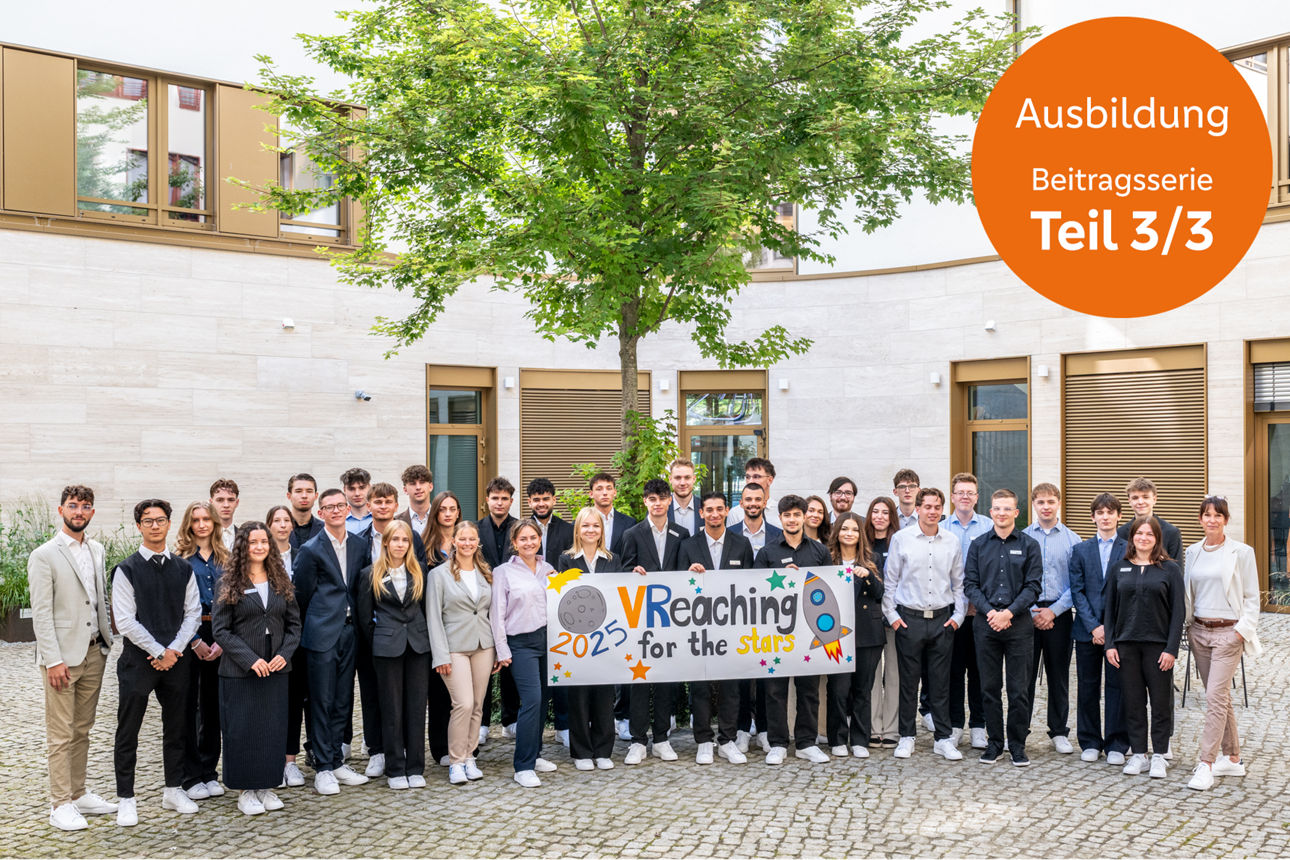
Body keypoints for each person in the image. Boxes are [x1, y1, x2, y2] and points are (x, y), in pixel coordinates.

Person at [28, 485, 117, 831]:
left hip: (95, 652)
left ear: (92, 512)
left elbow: (98, 597)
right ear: (61, 509)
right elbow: (41, 612)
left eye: (86, 506)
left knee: (83, 729)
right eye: (73, 505)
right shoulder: (44, 555)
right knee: (60, 733)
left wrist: (108, 640)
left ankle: (78, 793)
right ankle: (60, 804)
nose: (79, 511)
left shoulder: (96, 549)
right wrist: (52, 659)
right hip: (62, 658)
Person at [111, 499, 202, 825]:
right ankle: (126, 797)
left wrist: (174, 650)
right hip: (138, 661)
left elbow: (192, 615)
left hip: (177, 660)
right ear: (139, 525)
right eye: (147, 520)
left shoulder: (183, 568)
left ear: (168, 524)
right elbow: (125, 620)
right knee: (128, 730)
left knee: (177, 726)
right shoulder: (127, 569)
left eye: (160, 520)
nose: (154, 525)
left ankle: (173, 788)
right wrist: (158, 650)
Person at [212, 522, 300, 816]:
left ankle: (267, 785)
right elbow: (221, 631)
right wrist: (250, 659)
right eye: (253, 542)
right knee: (243, 730)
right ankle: (246, 790)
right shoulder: (228, 582)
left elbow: (294, 625)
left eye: (264, 541)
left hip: (276, 669)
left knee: (272, 729)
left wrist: (284, 655)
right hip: (240, 671)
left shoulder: (280, 580)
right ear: (242, 546)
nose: (260, 547)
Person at [293, 488, 371, 796]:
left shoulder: (360, 544)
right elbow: (301, 597)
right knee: (321, 700)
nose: (337, 510)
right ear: (321, 512)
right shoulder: (311, 550)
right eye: (330, 507)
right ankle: (323, 766)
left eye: (341, 505)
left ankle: (337, 761)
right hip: (321, 634)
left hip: (350, 632)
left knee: (342, 700)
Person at [1183, 496, 1262, 791]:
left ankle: (1206, 764)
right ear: (1200, 519)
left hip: (1229, 634)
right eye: (1206, 515)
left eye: (1218, 515)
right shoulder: (1193, 552)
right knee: (1220, 698)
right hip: (1199, 632)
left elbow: (1252, 598)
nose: (1212, 520)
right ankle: (1233, 758)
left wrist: (1241, 632)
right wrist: (1189, 627)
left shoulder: (1241, 552)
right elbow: (1189, 593)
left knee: (1214, 698)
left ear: (1226, 519)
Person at [352, 482, 431, 779]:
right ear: (385, 543)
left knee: (414, 708)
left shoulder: (420, 572)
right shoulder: (369, 575)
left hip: (418, 647)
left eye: (405, 540)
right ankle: (396, 768)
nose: (400, 544)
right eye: (394, 539)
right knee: (391, 708)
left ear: (410, 544)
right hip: (386, 647)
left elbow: (425, 610)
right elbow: (363, 618)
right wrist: (381, 639)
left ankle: (415, 767)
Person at [881, 488, 966, 761]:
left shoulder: (951, 541)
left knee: (941, 683)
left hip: (943, 620)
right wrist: (893, 617)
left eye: (937, 506)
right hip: (909, 621)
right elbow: (890, 580)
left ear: (942, 509)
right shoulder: (901, 539)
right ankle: (907, 737)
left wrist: (958, 618)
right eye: (927, 506)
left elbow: (959, 583)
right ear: (917, 508)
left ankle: (943, 737)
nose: (932, 511)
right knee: (908, 682)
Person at [963, 489, 1042, 767]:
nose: (1002, 513)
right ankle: (994, 743)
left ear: (1017, 513)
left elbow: (1033, 586)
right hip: (985, 626)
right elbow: (970, 585)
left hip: (1018, 625)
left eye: (1007, 509)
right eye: (997, 509)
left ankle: (1017, 745)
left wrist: (1008, 612)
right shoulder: (979, 545)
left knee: (1019, 689)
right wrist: (991, 613)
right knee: (989, 687)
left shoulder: (1030, 545)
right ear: (991, 511)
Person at [1105, 516, 1185, 780]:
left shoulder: (1169, 570)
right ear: (1132, 537)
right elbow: (1110, 611)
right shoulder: (1119, 568)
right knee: (1134, 702)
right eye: (1139, 533)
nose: (1144, 538)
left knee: (1161, 703)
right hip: (1126, 647)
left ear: (1157, 539)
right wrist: (1110, 644)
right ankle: (1139, 754)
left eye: (1150, 534)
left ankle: (1160, 755)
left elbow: (1178, 613)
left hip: (1158, 647)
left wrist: (1171, 649)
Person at [754, 495, 832, 765]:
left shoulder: (820, 552)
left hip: (809, 630)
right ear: (781, 518)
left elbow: (829, 589)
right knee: (775, 689)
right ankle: (777, 743)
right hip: (776, 633)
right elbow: (755, 592)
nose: (792, 519)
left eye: (797, 515)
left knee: (808, 689)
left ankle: (806, 742)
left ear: (803, 517)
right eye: (787, 515)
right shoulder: (767, 553)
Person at [679, 492, 755, 765]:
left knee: (730, 686)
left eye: (719, 509)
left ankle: (726, 739)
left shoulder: (741, 544)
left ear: (726, 512)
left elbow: (751, 585)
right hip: (698, 628)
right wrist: (689, 575)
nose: (713, 514)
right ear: (701, 513)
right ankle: (702, 740)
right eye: (708, 509)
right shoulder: (688, 546)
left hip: (731, 628)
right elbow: (677, 587)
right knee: (699, 685)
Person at [619, 479, 689, 765]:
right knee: (638, 680)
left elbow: (685, 571)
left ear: (669, 501)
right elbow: (622, 574)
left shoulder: (682, 534)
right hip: (640, 619)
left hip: (671, 618)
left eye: (662, 497)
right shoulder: (632, 534)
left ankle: (661, 738)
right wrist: (631, 573)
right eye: (652, 498)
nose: (657, 503)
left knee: (665, 680)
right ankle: (637, 740)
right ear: (645, 502)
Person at [492, 521, 561, 787]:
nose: (529, 542)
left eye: (533, 537)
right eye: (523, 539)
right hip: (520, 644)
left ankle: (536, 754)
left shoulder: (549, 570)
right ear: (515, 542)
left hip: (548, 641)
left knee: (544, 700)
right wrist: (502, 649)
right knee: (531, 699)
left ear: (540, 539)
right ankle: (522, 766)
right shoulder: (504, 572)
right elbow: (496, 613)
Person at [427, 521, 496, 784]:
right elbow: (433, 617)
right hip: (454, 647)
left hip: (483, 645)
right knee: (463, 703)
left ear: (478, 542)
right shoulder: (439, 574)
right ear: (454, 541)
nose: (467, 543)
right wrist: (440, 655)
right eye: (462, 539)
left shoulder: (485, 571)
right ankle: (455, 761)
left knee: (478, 705)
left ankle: (469, 757)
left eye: (472, 539)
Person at [1067, 493, 1130, 765]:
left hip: (1118, 632)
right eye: (1100, 513)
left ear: (1118, 516)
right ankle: (1090, 740)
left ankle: (1117, 742)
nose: (1105, 517)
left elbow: (1129, 594)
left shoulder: (1129, 549)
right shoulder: (1080, 550)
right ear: (1093, 517)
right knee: (1088, 686)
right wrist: (1094, 626)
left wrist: (1110, 629)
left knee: (1118, 686)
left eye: (1110, 512)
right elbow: (1077, 591)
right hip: (1086, 631)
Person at [559, 507, 622, 769]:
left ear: (602, 530)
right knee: (579, 697)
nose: (591, 530)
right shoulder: (566, 560)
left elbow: (620, 594)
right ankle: (582, 752)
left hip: (606, 637)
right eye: (585, 526)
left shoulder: (613, 559)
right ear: (577, 530)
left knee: (605, 697)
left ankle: (603, 750)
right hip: (577, 639)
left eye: (595, 526)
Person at [173, 501, 228, 801]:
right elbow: (176, 607)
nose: (202, 524)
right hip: (190, 635)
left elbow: (234, 601)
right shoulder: (180, 559)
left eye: (207, 518)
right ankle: (190, 774)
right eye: (196, 520)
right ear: (189, 524)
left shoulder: (226, 558)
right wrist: (194, 640)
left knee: (213, 706)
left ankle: (210, 770)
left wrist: (223, 639)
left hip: (219, 634)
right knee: (191, 706)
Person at [1022, 482, 1081, 755]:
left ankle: (1059, 731)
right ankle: (1020, 730)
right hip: (1027, 615)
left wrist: (1053, 611)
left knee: (1058, 676)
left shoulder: (1073, 540)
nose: (1046, 507)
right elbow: (1017, 580)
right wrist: (1033, 608)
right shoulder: (1022, 537)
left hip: (1059, 615)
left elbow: (1076, 585)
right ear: (1033, 504)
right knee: (1024, 676)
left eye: (1050, 501)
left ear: (1058, 503)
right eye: (1040, 502)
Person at [937, 473, 991, 750]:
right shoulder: (942, 528)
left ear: (977, 497)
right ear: (954, 496)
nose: (966, 497)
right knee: (953, 671)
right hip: (952, 613)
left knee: (981, 671)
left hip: (982, 612)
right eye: (960, 492)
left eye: (971, 492)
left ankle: (979, 726)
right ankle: (956, 724)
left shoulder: (989, 526)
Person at [825, 512, 884, 760]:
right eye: (845, 529)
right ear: (837, 532)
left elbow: (880, 594)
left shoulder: (873, 559)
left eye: (855, 530)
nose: (849, 533)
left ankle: (860, 738)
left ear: (861, 535)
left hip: (867, 633)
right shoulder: (826, 561)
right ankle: (837, 738)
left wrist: (867, 576)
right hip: (835, 635)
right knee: (838, 689)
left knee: (863, 689)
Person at [267, 504, 312, 786]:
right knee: (271, 702)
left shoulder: (302, 556)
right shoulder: (260, 557)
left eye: (287, 520)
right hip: (267, 639)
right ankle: (270, 759)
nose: (283, 525)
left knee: (295, 699)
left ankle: (290, 760)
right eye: (277, 520)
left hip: (297, 638)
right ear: (269, 525)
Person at [477, 477, 519, 744]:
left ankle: (510, 718)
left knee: (510, 664)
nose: (500, 502)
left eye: (504, 498)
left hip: (513, 605)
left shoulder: (520, 527)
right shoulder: (475, 528)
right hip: (481, 603)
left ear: (511, 501)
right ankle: (480, 722)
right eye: (495, 498)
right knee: (482, 663)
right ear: (487, 500)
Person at [864, 497, 901, 748]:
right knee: (872, 675)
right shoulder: (863, 544)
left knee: (895, 673)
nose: (879, 516)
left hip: (897, 618)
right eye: (875, 512)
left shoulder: (900, 542)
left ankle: (892, 729)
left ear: (892, 517)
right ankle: (873, 726)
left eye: (885, 512)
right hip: (869, 618)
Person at [1116, 477, 1182, 561]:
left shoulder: (1172, 532)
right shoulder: (1120, 533)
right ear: (1129, 501)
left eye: (1145, 497)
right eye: (1135, 498)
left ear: (1154, 499)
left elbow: (1177, 571)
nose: (1140, 502)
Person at [526, 478, 573, 570]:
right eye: (536, 500)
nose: (541, 504)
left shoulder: (568, 530)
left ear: (554, 500)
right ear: (529, 502)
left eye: (546, 499)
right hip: (530, 582)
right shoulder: (521, 531)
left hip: (561, 582)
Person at [589, 472, 637, 557]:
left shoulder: (629, 523)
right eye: (599, 489)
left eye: (609, 488)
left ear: (615, 492)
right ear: (591, 494)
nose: (605, 493)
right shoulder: (580, 523)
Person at [727, 482, 781, 557]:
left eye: (758, 499)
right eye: (748, 499)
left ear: (764, 503)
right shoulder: (729, 534)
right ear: (741, 504)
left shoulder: (779, 535)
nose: (753, 503)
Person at [728, 458, 779, 528]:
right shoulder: (735, 513)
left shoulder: (780, 511)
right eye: (748, 477)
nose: (751, 481)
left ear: (770, 480)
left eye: (756, 477)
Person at [397, 465, 435, 541]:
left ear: (430, 486)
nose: (418, 487)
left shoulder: (441, 518)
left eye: (422, 482)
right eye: (413, 483)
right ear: (405, 490)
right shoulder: (396, 521)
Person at [286, 474, 324, 550]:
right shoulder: (276, 529)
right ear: (289, 496)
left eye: (309, 491)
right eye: (298, 491)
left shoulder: (326, 529)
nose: (304, 496)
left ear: (316, 496)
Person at [668, 459, 703, 536]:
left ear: (694, 479)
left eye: (687, 477)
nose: (682, 483)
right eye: (678, 478)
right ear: (670, 479)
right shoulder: (660, 508)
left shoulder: (704, 507)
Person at [426, 491, 462, 565]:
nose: (448, 514)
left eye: (452, 509)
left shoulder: (466, 541)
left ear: (458, 513)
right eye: (442, 510)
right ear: (435, 512)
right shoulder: (426, 544)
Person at [209, 479, 241, 553]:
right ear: (211, 503)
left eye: (231, 500)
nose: (226, 505)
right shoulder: (204, 536)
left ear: (237, 503)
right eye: (220, 500)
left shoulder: (244, 536)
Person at [341, 467, 373, 535]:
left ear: (369, 487)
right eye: (351, 489)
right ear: (344, 490)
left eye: (362, 488)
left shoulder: (381, 517)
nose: (357, 493)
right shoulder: (337, 521)